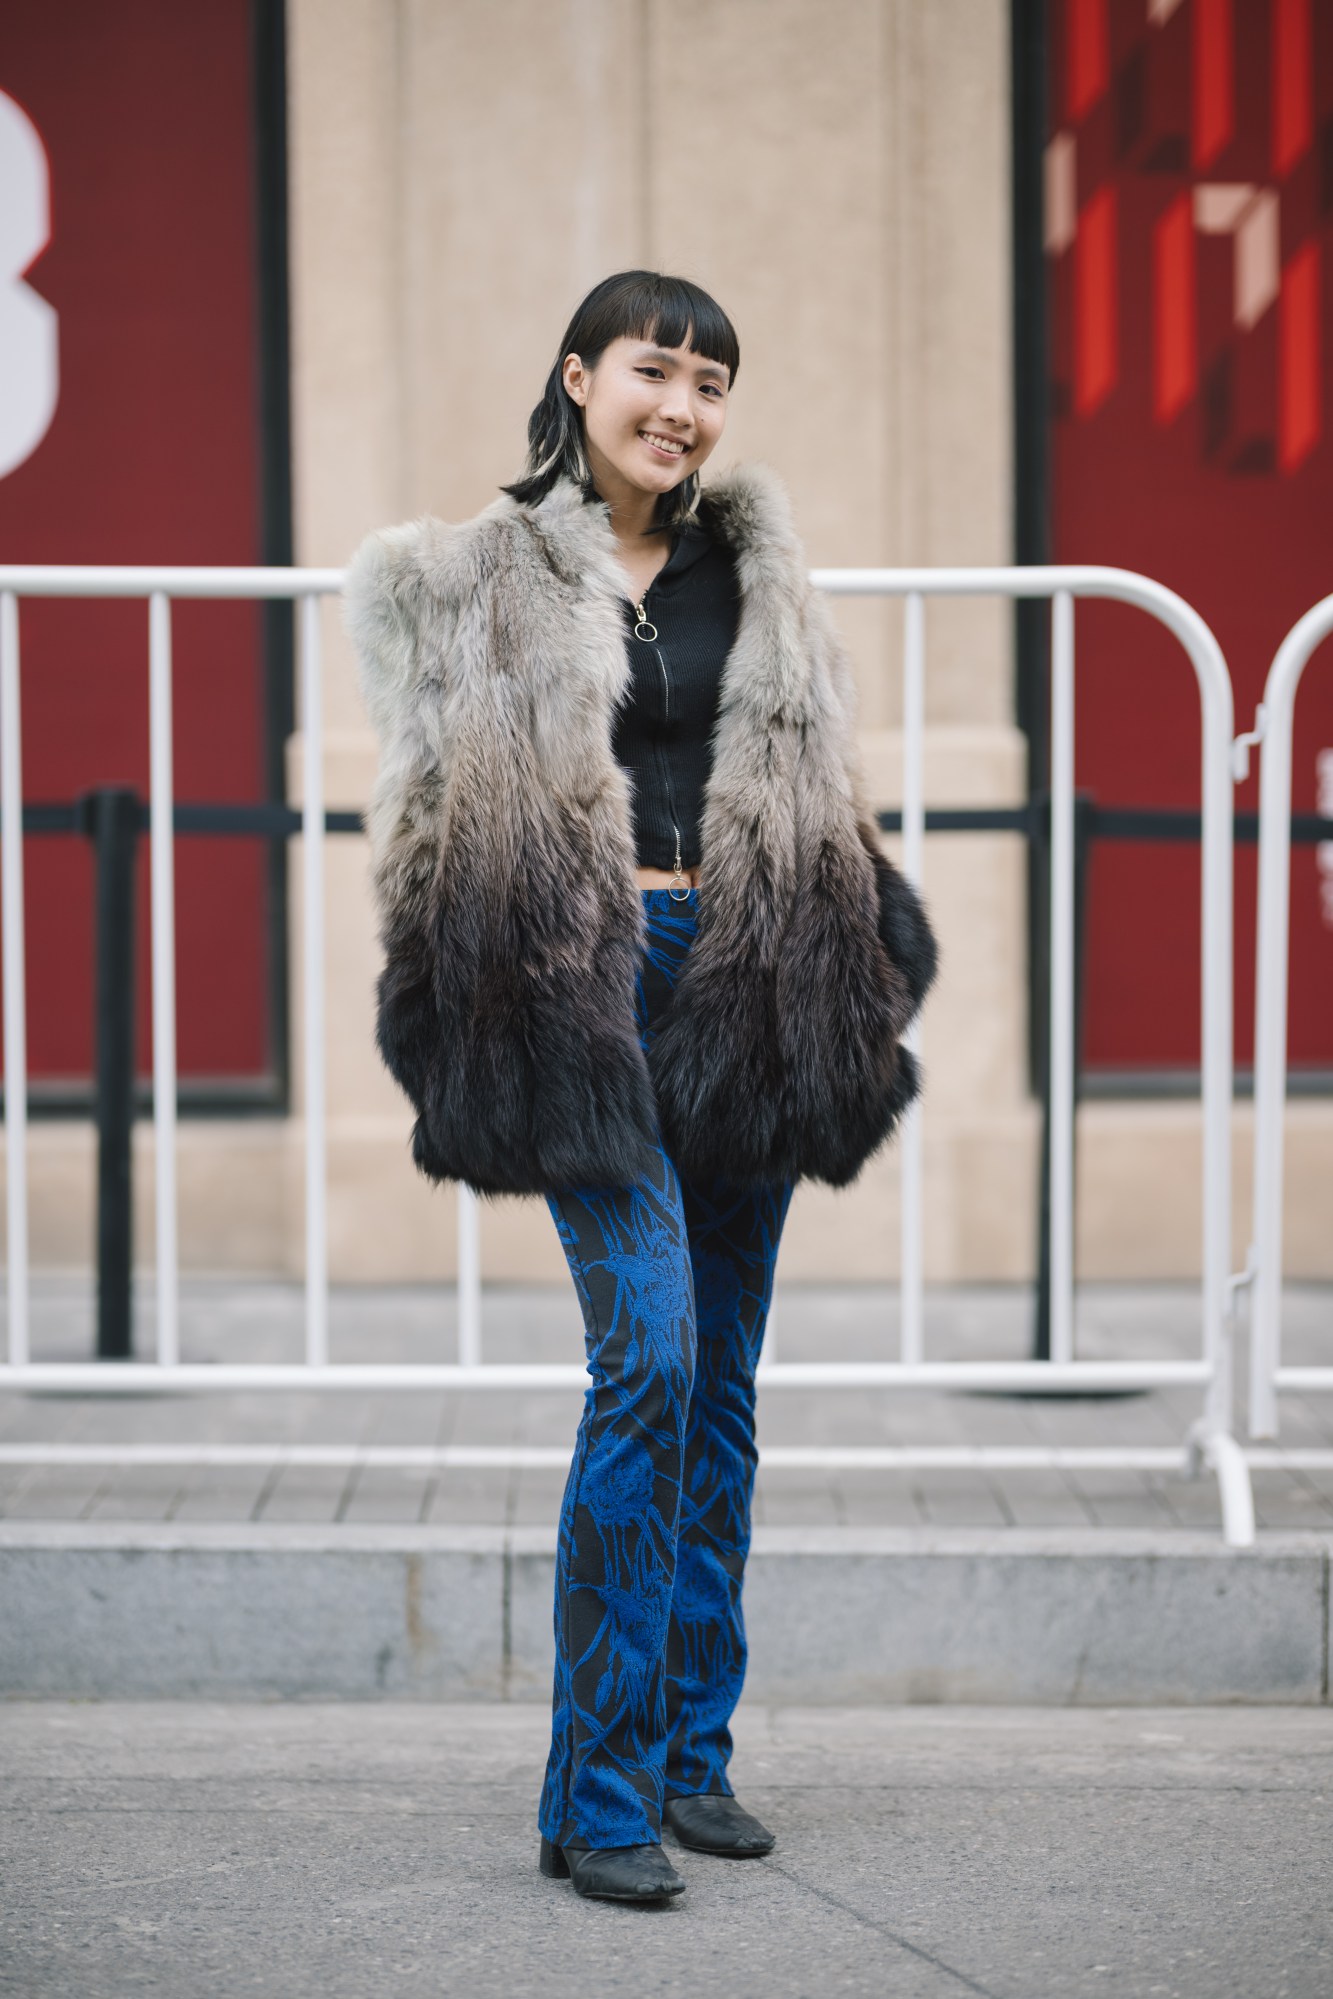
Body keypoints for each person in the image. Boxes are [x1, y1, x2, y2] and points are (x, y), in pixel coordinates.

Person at [344, 270, 938, 1906]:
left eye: (711, 382)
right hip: (572, 992)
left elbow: (812, 776)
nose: (682, 405)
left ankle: (692, 1755)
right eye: (655, 370)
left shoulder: (755, 566)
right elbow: (422, 813)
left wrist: (861, 959)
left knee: (723, 1394)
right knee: (650, 1364)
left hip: (744, 981)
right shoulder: (465, 578)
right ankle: (589, 1788)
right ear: (578, 375)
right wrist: (444, 1008)